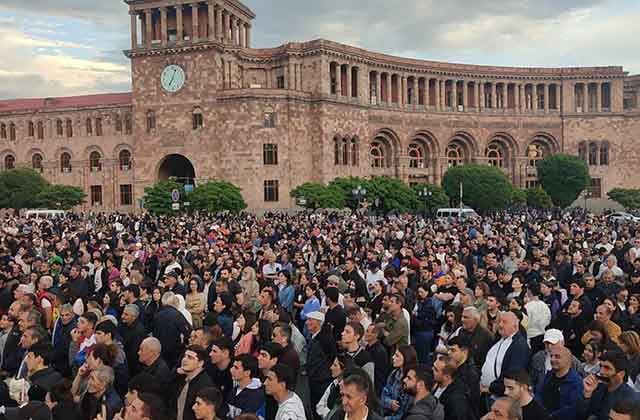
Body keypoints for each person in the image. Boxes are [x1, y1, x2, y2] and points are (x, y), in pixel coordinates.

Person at [578, 351, 640, 420]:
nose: (601, 372)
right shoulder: (597, 388)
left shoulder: (630, 400)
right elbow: (582, 415)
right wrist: (587, 394)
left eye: (607, 368)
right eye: (601, 366)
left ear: (621, 374)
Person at [481, 311, 530, 397]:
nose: (500, 325)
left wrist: (492, 388)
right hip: (488, 392)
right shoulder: (501, 339)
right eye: (499, 321)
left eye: (504, 322)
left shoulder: (519, 345)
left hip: (501, 395)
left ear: (515, 326)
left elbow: (513, 373)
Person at [534, 346, 583, 420]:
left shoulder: (576, 382)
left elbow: (571, 408)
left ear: (568, 360)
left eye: (557, 357)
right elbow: (538, 393)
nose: (552, 359)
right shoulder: (547, 376)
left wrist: (550, 417)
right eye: (551, 356)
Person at [171, 345, 214, 420]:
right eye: (184, 356)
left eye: (190, 358)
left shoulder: (206, 386)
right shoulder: (180, 376)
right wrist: (175, 373)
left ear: (200, 363)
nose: (184, 360)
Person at [306, 311, 336, 412]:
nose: (307, 322)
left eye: (310, 320)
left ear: (319, 322)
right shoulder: (315, 336)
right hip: (315, 379)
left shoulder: (324, 340)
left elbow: (327, 359)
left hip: (321, 380)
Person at [153, 292, 192, 368]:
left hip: (160, 349)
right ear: (174, 302)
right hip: (174, 350)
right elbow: (188, 331)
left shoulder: (157, 315)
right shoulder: (177, 314)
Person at [432, 356, 477, 420]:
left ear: (447, 377)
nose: (432, 370)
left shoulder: (456, 400)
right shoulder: (438, 384)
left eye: (436, 370)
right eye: (433, 366)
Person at [382, 345, 417, 420]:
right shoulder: (394, 373)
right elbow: (384, 394)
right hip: (387, 413)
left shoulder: (412, 380)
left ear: (406, 358)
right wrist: (389, 402)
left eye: (397, 356)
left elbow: (406, 412)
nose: (393, 357)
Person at [227, 354, 265, 419]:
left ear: (247, 373)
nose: (231, 370)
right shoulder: (233, 390)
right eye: (232, 366)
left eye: (236, 368)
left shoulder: (256, 395)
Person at [364, 324, 389, 397]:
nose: (367, 334)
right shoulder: (368, 347)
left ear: (376, 335)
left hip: (376, 389)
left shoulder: (378, 351)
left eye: (370, 332)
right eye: (367, 331)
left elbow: (378, 374)